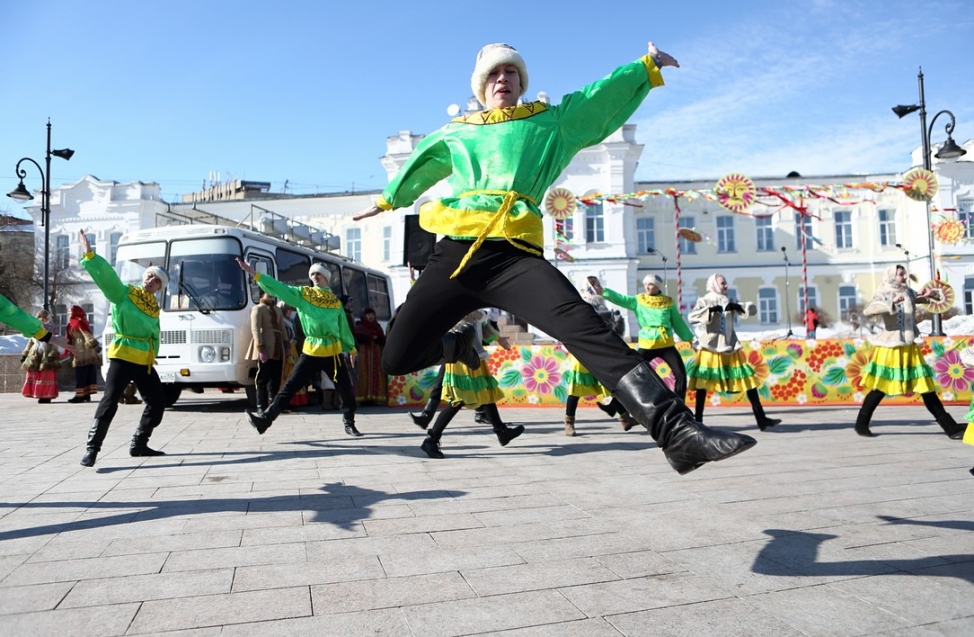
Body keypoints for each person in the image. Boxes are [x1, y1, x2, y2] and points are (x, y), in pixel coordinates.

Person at [353, 41, 755, 474]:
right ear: (481, 85)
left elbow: (595, 100)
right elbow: (422, 161)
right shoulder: (459, 131)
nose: (502, 79)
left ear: (522, 83)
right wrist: (389, 199)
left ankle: (677, 432)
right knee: (397, 358)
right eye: (493, 74)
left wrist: (645, 67)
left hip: (515, 256)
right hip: (457, 251)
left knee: (587, 328)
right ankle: (458, 343)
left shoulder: (549, 123)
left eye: (510, 73)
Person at [236, 259, 361, 436]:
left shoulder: (334, 302)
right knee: (289, 387)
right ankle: (264, 421)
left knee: (346, 388)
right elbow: (280, 288)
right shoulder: (304, 294)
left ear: (326, 277)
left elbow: (343, 329)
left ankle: (349, 422)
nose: (315, 277)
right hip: (311, 351)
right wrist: (255, 274)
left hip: (332, 351)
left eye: (319, 274)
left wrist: (352, 349)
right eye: (312, 274)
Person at [78, 230, 169, 467]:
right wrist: (91, 256)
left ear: (160, 287)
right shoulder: (125, 293)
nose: (151, 280)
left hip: (144, 361)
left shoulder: (154, 307)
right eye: (149, 276)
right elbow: (107, 278)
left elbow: (155, 334)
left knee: (157, 402)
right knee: (110, 400)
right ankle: (92, 449)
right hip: (123, 355)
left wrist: (153, 356)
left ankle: (139, 444)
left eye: (156, 280)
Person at [854, 264, 965, 439]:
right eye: (900, 275)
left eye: (904, 274)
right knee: (881, 387)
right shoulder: (883, 291)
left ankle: (950, 427)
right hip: (891, 347)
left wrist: (931, 295)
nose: (904, 277)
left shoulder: (908, 291)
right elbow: (869, 310)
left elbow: (924, 299)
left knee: (925, 387)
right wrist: (890, 302)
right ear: (891, 276)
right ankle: (861, 424)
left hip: (910, 346)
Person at [418, 310, 523, 458]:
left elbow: (481, 327)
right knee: (458, 400)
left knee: (485, 391)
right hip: (462, 355)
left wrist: (498, 337)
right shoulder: (461, 300)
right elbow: (465, 318)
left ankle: (501, 431)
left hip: (474, 354)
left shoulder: (473, 302)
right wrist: (479, 312)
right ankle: (431, 440)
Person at [687, 273, 781, 431]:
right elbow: (692, 317)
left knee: (748, 380)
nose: (726, 286)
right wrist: (710, 311)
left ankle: (761, 418)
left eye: (725, 283)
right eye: (723, 283)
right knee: (703, 384)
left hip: (730, 346)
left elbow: (751, 310)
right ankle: (698, 422)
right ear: (714, 285)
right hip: (711, 347)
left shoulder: (727, 300)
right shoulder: (705, 300)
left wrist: (738, 307)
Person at [598, 273, 693, 401]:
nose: (647, 287)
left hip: (666, 344)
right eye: (646, 284)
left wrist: (688, 338)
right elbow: (621, 299)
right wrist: (603, 291)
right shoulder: (639, 300)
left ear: (657, 286)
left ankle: (679, 404)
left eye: (651, 284)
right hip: (647, 344)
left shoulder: (668, 302)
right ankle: (619, 405)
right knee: (630, 373)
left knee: (680, 374)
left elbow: (677, 322)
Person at [563, 277, 636, 436]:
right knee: (576, 389)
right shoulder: (579, 305)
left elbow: (612, 330)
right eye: (594, 285)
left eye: (598, 284)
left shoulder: (603, 305)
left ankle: (624, 418)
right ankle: (569, 422)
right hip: (582, 351)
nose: (598, 287)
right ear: (588, 287)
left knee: (611, 386)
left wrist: (617, 322)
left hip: (600, 351)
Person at [246, 292, 287, 412]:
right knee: (262, 378)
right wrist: (261, 348)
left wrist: (286, 345)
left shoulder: (277, 309)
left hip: (277, 347)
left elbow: (282, 328)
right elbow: (255, 329)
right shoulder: (258, 309)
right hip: (266, 346)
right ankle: (261, 406)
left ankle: (274, 406)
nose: (271, 294)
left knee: (276, 378)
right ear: (262, 294)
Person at [21, 309, 62, 403]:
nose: (42, 319)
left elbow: (55, 341)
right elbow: (31, 341)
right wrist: (25, 353)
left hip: (47, 354)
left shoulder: (52, 328)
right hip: (35, 353)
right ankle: (38, 394)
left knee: (46, 375)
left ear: (47, 318)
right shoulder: (35, 327)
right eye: (40, 317)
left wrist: (52, 354)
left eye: (44, 317)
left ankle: (46, 396)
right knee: (35, 375)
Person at [66, 305, 101, 403]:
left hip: (82, 350)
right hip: (83, 350)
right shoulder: (73, 323)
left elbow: (87, 335)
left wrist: (94, 345)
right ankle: (86, 395)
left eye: (70, 312)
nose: (68, 314)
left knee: (81, 373)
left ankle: (80, 395)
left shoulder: (78, 322)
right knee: (86, 372)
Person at [353, 307, 387, 405]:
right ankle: (363, 398)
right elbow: (357, 339)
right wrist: (369, 337)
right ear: (364, 316)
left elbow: (382, 340)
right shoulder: (359, 326)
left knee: (376, 374)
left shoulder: (377, 326)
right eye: (368, 315)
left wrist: (376, 338)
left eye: (372, 314)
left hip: (376, 354)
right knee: (363, 374)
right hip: (364, 354)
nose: (371, 316)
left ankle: (375, 397)